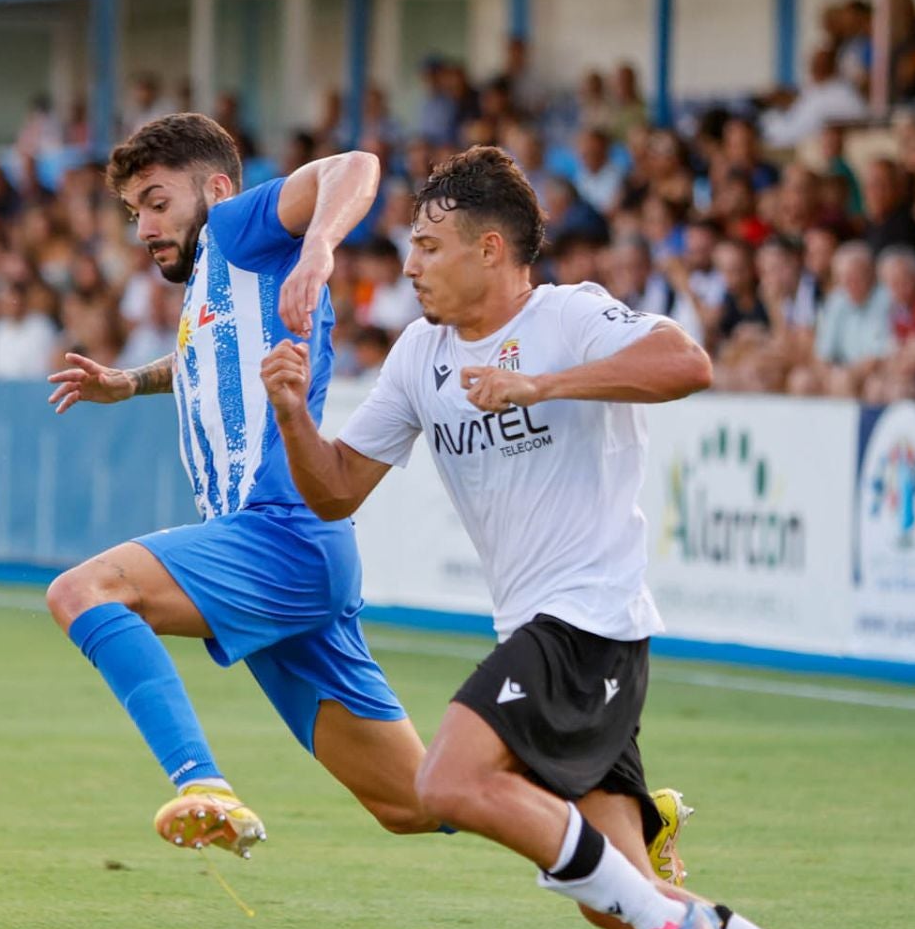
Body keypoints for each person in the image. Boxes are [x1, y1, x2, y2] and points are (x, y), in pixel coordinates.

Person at [259, 145, 912, 929]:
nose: (409, 264)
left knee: (446, 780)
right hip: (552, 634)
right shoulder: (419, 355)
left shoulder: (567, 316)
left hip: (589, 625)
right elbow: (337, 493)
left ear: (492, 250)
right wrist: (290, 418)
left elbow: (687, 361)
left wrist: (544, 387)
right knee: (619, 902)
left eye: (429, 246)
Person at [37, 115, 708, 878]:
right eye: (133, 212)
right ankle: (628, 816)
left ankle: (202, 784)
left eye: (157, 202)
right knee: (416, 803)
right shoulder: (215, 287)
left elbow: (351, 166)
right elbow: (199, 357)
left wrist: (317, 248)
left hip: (279, 531)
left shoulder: (238, 229)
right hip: (295, 548)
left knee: (86, 592)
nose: (144, 227)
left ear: (217, 189)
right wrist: (131, 382)